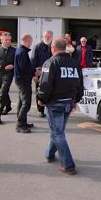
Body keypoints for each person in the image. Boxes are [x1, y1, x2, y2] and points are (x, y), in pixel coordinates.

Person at [37, 38, 83, 175]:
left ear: (53, 49)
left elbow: (45, 84)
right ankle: (49, 154)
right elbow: (80, 83)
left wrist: (41, 99)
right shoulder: (75, 64)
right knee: (58, 131)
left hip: (55, 103)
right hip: (68, 102)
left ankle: (68, 165)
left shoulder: (50, 62)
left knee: (58, 133)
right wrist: (76, 100)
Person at [0, 32, 16, 124]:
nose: (8, 41)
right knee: (3, 91)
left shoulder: (14, 50)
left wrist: (13, 65)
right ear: (1, 40)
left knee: (2, 92)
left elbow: (18, 62)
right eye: (6, 40)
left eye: (9, 40)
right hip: (0, 73)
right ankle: (8, 106)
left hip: (9, 74)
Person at [14, 34, 35, 133]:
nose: (31, 43)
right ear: (26, 41)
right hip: (23, 80)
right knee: (26, 103)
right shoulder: (22, 52)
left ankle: (23, 121)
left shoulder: (20, 50)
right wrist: (34, 72)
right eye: (31, 41)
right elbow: (24, 68)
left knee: (22, 101)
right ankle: (20, 124)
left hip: (21, 80)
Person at [31, 30, 53, 118]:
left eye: (48, 36)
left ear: (52, 37)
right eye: (45, 36)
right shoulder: (37, 47)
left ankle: (50, 109)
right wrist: (34, 74)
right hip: (40, 73)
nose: (47, 38)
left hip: (52, 73)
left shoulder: (53, 47)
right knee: (40, 92)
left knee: (51, 92)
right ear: (42, 37)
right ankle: (41, 110)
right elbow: (33, 62)